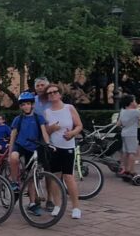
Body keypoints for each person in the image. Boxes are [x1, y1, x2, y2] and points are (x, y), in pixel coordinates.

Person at [44, 83, 84, 219]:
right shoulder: (47, 112)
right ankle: (57, 205)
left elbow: (79, 125)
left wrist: (72, 133)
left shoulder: (69, 108)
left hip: (68, 147)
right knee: (55, 177)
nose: (52, 94)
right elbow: (46, 131)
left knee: (69, 177)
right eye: (49, 93)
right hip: (54, 148)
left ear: (60, 94)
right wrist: (52, 129)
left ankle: (76, 207)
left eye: (55, 92)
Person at [8, 91, 50, 214]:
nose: (26, 106)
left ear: (32, 105)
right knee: (14, 157)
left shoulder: (38, 118)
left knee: (31, 176)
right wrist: (10, 151)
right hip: (20, 145)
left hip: (33, 147)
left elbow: (44, 133)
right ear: (21, 107)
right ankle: (14, 181)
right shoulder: (18, 119)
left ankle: (32, 203)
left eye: (28, 104)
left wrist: (48, 144)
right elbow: (13, 136)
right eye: (23, 105)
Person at [117, 95, 140, 178]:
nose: (136, 103)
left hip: (124, 133)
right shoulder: (135, 112)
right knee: (132, 152)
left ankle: (125, 169)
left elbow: (119, 123)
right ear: (131, 103)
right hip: (132, 134)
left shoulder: (122, 111)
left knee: (125, 152)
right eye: (135, 101)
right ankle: (132, 171)